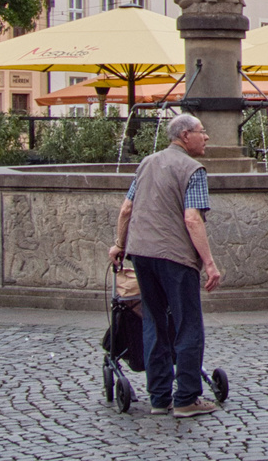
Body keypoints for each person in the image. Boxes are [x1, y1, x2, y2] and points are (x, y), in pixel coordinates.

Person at [110, 114, 224, 418]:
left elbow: (126, 209)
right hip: (175, 257)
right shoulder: (193, 169)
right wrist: (210, 264)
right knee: (188, 325)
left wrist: (120, 245)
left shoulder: (147, 162)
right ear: (185, 136)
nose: (207, 137)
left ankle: (159, 398)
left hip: (142, 255)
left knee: (154, 323)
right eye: (202, 132)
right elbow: (192, 218)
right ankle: (186, 397)